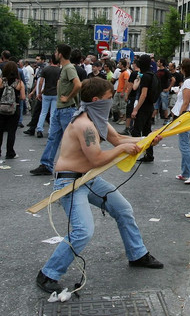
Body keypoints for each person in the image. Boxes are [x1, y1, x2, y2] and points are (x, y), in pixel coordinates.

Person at [35, 77, 163, 294]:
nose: (111, 101)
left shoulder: (97, 117)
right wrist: (124, 150)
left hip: (89, 178)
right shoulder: (84, 124)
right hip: (70, 183)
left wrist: (148, 139)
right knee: (83, 231)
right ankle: (48, 274)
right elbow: (97, 158)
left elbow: (118, 139)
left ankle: (137, 254)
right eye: (108, 98)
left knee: (123, 210)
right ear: (96, 100)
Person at [31, 44, 82, 176]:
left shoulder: (69, 68)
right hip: (60, 109)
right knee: (53, 138)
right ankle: (46, 164)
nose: (54, 53)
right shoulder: (63, 68)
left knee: (70, 140)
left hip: (67, 110)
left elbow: (78, 84)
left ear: (60, 54)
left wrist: (68, 97)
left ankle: (75, 167)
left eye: (56, 51)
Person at [171, 59, 190, 184]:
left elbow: (186, 101)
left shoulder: (188, 82)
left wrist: (180, 116)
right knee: (184, 144)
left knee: (184, 145)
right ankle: (185, 172)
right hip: (185, 115)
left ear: (184, 69)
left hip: (184, 116)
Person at [131, 54, 158, 162]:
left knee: (136, 131)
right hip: (150, 106)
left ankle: (135, 153)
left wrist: (136, 109)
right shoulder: (152, 75)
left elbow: (143, 94)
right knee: (147, 131)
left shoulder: (146, 76)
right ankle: (149, 154)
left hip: (143, 107)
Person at [0, 61, 26, 159]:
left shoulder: (1, 81)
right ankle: (10, 152)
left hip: (1, 109)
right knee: (11, 131)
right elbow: (23, 97)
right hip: (14, 109)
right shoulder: (19, 83)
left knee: (0, 130)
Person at [34, 54, 61, 139]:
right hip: (55, 93)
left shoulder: (45, 69)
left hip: (46, 92)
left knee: (43, 112)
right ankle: (50, 131)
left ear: (51, 61)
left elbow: (41, 82)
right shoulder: (59, 70)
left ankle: (39, 129)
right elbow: (59, 83)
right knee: (53, 113)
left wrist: (39, 93)